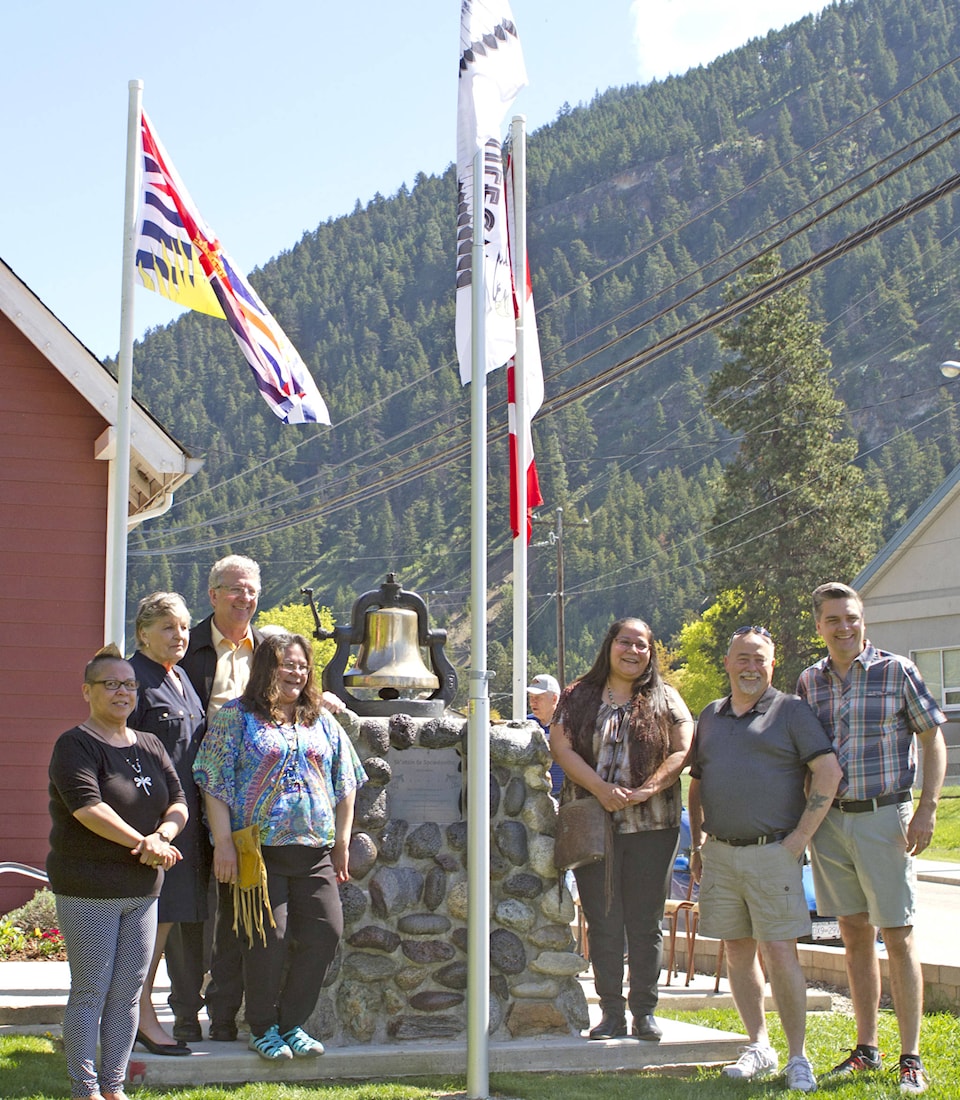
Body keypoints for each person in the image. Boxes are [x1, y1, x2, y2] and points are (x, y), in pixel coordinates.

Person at [797, 582, 947, 1096]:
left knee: (898, 935)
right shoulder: (808, 683)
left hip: (886, 818)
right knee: (853, 933)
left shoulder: (897, 670)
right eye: (834, 620)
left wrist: (926, 809)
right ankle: (866, 1049)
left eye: (853, 618)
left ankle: (911, 1058)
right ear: (818, 626)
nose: (845, 627)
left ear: (864, 621)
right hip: (832, 823)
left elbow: (932, 738)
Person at [193, 632, 367, 1061]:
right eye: (287, 664)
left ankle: (293, 1024)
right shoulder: (237, 717)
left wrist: (342, 840)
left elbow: (346, 780)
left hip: (314, 853)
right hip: (258, 852)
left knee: (325, 932)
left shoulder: (320, 720)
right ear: (267, 669)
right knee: (267, 939)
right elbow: (213, 780)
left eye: (302, 665)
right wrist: (223, 845)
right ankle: (264, 1027)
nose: (296, 672)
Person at [688, 625, 841, 1092]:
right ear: (728, 663)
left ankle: (798, 1058)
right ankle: (758, 1046)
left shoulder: (791, 712)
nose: (751, 666)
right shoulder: (711, 715)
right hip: (720, 853)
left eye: (760, 659)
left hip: (773, 852)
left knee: (779, 952)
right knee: (737, 951)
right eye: (743, 658)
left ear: (772, 666)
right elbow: (697, 783)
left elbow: (828, 773)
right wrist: (696, 843)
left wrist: (799, 839)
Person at [47, 645, 188, 1100]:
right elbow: (89, 810)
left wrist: (162, 836)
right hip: (89, 889)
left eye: (129, 684)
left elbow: (178, 801)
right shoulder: (75, 745)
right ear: (87, 691)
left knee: (128, 992)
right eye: (111, 684)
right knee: (90, 990)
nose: (123, 692)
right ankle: (84, 1088)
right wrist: (142, 843)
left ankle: (113, 1085)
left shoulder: (149, 743)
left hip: (142, 889)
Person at [550, 617, 693, 1042]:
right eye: (625, 642)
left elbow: (684, 748)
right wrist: (600, 789)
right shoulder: (578, 696)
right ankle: (610, 1011)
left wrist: (647, 789)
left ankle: (644, 1012)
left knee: (645, 922)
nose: (633, 651)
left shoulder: (665, 698)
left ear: (651, 653)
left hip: (654, 826)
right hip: (592, 825)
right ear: (609, 645)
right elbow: (560, 746)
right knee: (603, 919)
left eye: (642, 646)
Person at [179, 554, 264, 1042]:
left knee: (238, 908)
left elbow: (298, 693)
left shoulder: (267, 650)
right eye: (235, 589)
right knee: (193, 910)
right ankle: (187, 1012)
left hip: (252, 804)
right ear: (212, 595)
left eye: (251, 589)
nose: (244, 598)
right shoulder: (189, 652)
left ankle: (227, 1015)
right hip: (193, 796)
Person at [128, 592, 209, 1053]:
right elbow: (122, 754)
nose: (179, 636)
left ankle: (138, 1012)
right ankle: (140, 1016)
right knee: (149, 927)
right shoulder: (131, 679)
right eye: (167, 628)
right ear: (143, 633)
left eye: (182, 627)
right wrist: (147, 826)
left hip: (186, 824)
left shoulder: (179, 677)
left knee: (168, 921)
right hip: (154, 828)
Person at [527, 673, 563, 796]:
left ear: (554, 699)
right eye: (531, 697)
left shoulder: (570, 726)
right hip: (533, 795)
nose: (533, 702)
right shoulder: (526, 725)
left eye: (538, 697)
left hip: (562, 795)